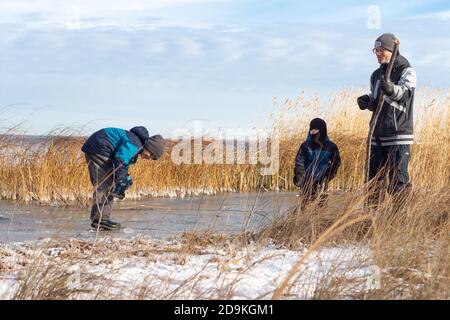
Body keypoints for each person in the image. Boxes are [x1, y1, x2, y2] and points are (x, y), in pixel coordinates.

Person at [357, 33, 416, 200]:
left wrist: (390, 88)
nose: (377, 53)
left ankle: (398, 220)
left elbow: (405, 95)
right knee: (373, 182)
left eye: (381, 49)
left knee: (398, 182)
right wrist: (367, 101)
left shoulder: (407, 71)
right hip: (376, 135)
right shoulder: (376, 75)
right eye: (375, 50)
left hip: (398, 135)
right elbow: (377, 102)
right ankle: (371, 218)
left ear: (391, 50)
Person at [81, 126, 165, 231]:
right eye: (151, 155)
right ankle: (99, 220)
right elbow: (120, 161)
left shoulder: (136, 144)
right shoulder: (134, 145)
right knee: (104, 184)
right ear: (149, 147)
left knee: (110, 184)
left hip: (102, 148)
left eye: (152, 159)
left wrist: (125, 179)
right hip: (99, 148)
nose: (149, 158)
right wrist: (120, 180)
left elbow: (122, 165)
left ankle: (101, 219)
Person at [293, 118, 341, 206]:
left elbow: (336, 162)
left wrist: (327, 177)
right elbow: (299, 162)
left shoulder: (331, 147)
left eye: (315, 130)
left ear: (322, 130)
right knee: (305, 210)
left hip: (322, 184)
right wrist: (302, 179)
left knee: (321, 210)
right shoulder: (305, 146)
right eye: (311, 130)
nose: (313, 132)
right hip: (306, 184)